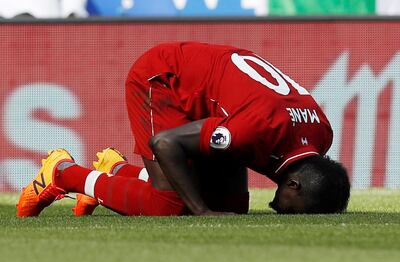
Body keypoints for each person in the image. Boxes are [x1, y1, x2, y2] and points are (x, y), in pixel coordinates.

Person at [16, 42, 350, 217]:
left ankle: (116, 170)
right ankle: (63, 173)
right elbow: (165, 143)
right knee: (169, 205)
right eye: (296, 209)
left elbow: (241, 132)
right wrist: (200, 210)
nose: (287, 212)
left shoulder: (321, 132)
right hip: (165, 80)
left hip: (216, 103)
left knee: (231, 208)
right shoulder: (257, 130)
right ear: (294, 183)